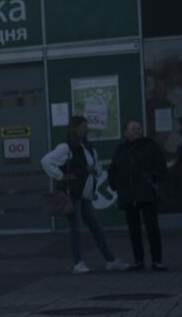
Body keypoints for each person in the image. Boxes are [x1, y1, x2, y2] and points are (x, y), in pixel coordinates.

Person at [42, 115, 128, 274]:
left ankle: (110, 260)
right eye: (83, 126)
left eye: (86, 126)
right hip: (73, 194)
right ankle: (78, 263)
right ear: (74, 129)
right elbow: (46, 161)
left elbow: (98, 167)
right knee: (76, 228)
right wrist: (61, 176)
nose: (86, 129)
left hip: (85, 195)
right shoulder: (65, 148)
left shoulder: (88, 147)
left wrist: (94, 170)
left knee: (95, 226)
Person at [109, 120, 168, 271]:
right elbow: (114, 169)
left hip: (146, 193)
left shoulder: (150, 146)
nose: (136, 131)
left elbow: (161, 165)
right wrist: (115, 185)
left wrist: (155, 179)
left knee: (152, 227)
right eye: (133, 129)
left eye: (138, 128)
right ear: (126, 132)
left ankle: (157, 260)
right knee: (133, 229)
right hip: (129, 195)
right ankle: (139, 261)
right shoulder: (121, 150)